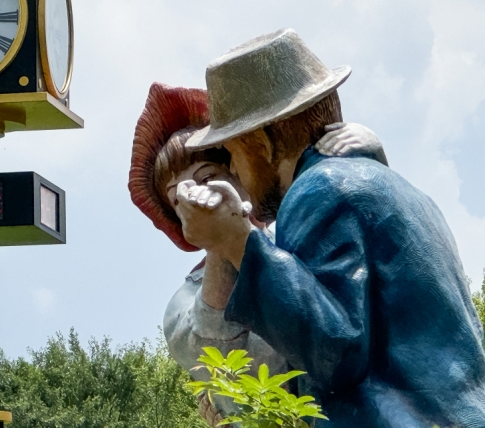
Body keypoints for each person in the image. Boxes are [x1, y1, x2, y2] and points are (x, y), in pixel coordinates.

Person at [177, 28, 485, 427]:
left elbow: (335, 349)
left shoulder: (319, 190)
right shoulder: (407, 193)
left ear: (262, 143)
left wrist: (238, 241)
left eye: (234, 152)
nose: (234, 169)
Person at [128, 82, 388, 425]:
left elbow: (382, 275)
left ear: (242, 170)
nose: (195, 196)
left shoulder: (308, 237)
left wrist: (369, 163)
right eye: (178, 198)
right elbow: (216, 354)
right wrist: (222, 243)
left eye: (208, 177)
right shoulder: (184, 304)